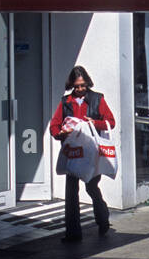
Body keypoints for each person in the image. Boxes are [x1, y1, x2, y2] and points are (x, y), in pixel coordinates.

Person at [48, 66, 115, 242]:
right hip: (73, 152)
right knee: (71, 192)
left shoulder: (97, 99)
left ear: (87, 83)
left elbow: (110, 122)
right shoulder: (65, 102)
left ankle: (102, 218)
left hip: (91, 153)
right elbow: (54, 126)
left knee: (91, 187)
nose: (80, 89)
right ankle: (73, 233)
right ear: (72, 85)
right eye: (77, 86)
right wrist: (60, 133)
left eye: (83, 85)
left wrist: (95, 122)